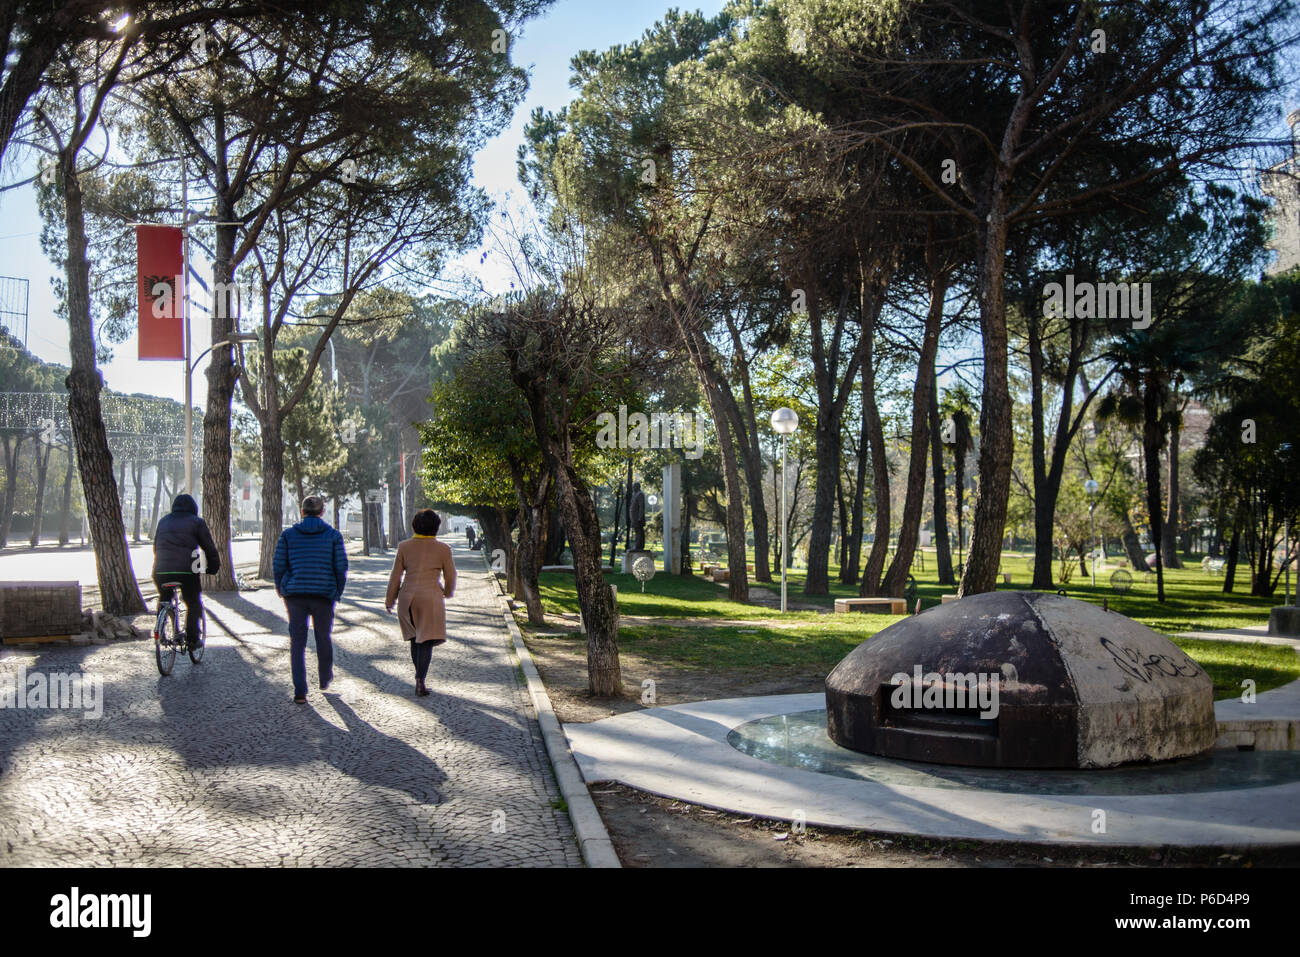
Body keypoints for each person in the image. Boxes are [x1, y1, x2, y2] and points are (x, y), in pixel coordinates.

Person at [273, 495, 348, 704]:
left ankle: (300, 690)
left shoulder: (288, 535)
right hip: (323, 594)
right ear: (322, 512)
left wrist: (281, 587)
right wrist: (336, 591)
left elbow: (279, 565)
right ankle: (324, 678)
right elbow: (340, 567)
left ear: (302, 512)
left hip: (295, 594)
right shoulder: (333, 535)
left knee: (297, 642)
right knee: (323, 636)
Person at [385, 509, 456, 697]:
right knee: (426, 640)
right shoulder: (443, 549)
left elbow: (395, 577)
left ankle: (419, 677)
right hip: (431, 598)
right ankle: (420, 680)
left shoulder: (404, 547)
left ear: (414, 525)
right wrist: (447, 592)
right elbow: (450, 576)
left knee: (415, 639)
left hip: (407, 598)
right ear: (436, 528)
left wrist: (390, 600)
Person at [152, 493, 220, 650]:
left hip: (160, 571)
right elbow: (209, 549)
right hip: (186, 572)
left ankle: (161, 631)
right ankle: (192, 638)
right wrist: (213, 568)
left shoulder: (163, 521)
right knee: (193, 601)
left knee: (164, 597)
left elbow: (156, 547)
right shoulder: (197, 522)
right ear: (193, 508)